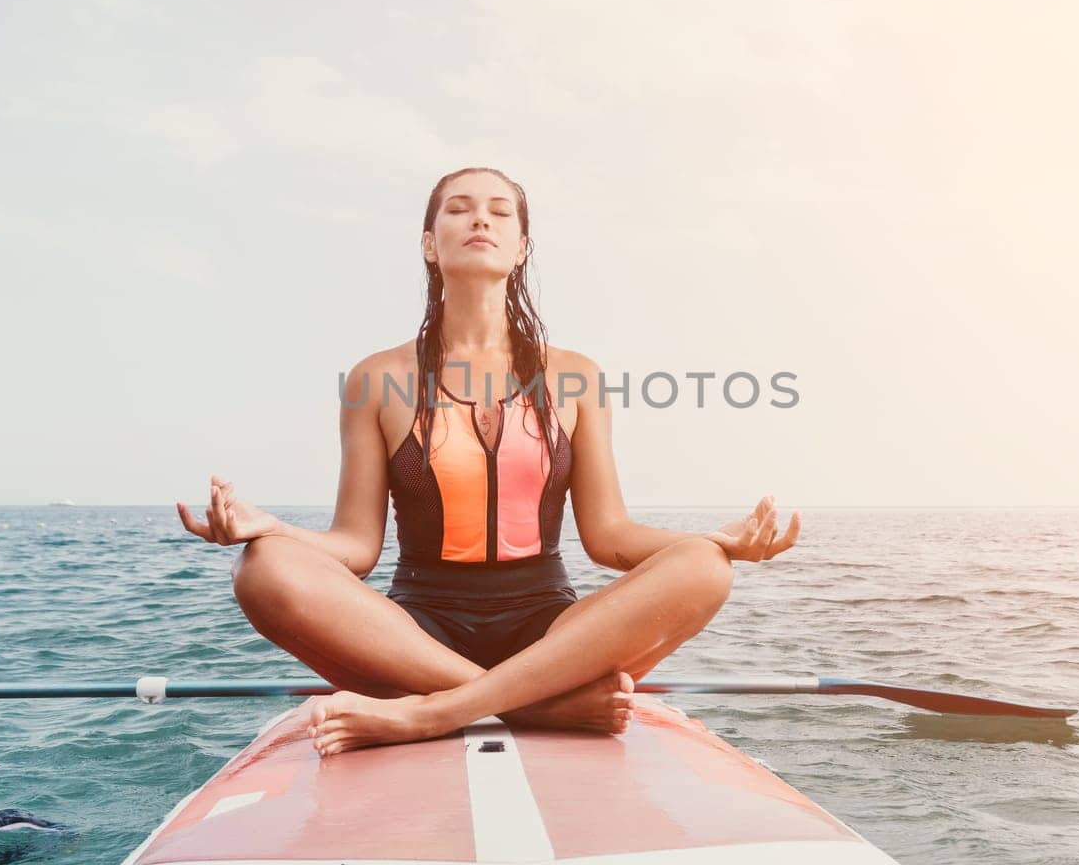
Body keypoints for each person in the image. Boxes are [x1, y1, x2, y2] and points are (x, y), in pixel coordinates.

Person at [176, 166, 800, 755]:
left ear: (522, 247)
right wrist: (271, 529)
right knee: (263, 569)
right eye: (459, 209)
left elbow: (610, 537)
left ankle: (433, 712)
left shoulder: (576, 375)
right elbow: (357, 548)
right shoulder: (376, 378)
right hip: (416, 634)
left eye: (500, 212)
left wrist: (715, 540)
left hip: (551, 628)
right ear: (429, 242)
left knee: (706, 567)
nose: (481, 220)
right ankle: (534, 707)